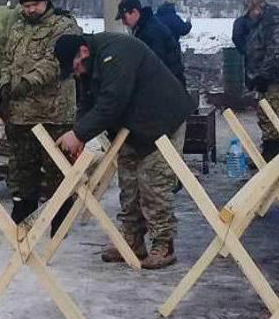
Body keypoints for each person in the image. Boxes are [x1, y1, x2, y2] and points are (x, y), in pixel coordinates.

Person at [53, 33, 192, 269]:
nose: (76, 73)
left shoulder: (115, 55)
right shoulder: (89, 64)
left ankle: (163, 244)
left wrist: (78, 135)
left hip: (162, 120)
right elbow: (87, 102)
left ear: (83, 52)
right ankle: (131, 241)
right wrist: (80, 131)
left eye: (75, 67)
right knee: (129, 184)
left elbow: (111, 103)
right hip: (132, 126)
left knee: (153, 183)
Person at [0, 0, 81, 230]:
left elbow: (56, 62)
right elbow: (5, 56)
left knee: (57, 169)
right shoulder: (16, 26)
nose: (30, 10)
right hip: (20, 113)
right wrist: (4, 79)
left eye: (35, 4)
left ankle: (61, 221)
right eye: (26, 5)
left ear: (47, 1)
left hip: (53, 112)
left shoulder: (63, 24)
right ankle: (23, 217)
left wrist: (26, 82)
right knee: (21, 168)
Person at [243, 0, 279, 160]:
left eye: (251, 11)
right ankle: (273, 149)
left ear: (258, 8)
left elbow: (276, 52)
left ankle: (274, 152)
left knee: (270, 112)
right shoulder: (263, 23)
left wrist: (263, 76)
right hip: (267, 75)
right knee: (267, 112)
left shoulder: (274, 23)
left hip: (275, 76)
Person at [116, 0, 186, 86]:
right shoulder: (145, 26)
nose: (124, 23)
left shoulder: (150, 32)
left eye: (124, 18)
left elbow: (155, 65)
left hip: (168, 85)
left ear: (134, 12)